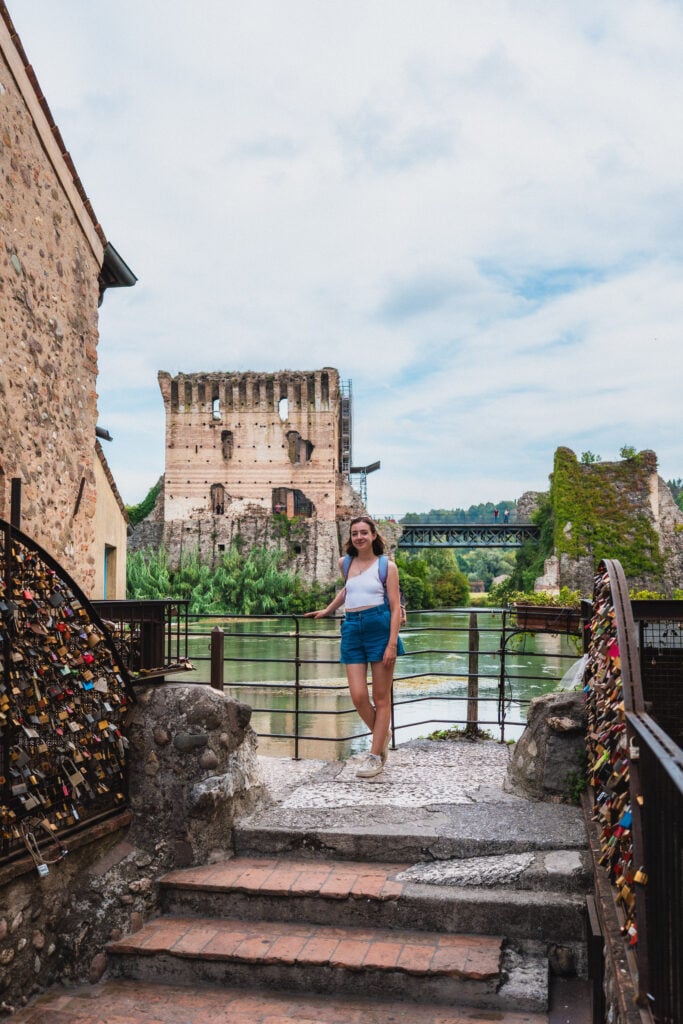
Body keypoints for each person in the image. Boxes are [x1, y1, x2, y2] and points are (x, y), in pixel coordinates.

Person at [305, 516, 404, 779]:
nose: (359, 537)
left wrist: (391, 644)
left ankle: (375, 756)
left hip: (379, 627)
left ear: (373, 535)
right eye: (354, 533)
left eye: (364, 532)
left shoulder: (387, 566)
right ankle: (382, 735)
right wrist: (328, 610)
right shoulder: (345, 563)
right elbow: (349, 590)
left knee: (381, 698)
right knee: (358, 696)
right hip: (351, 627)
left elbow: (395, 607)